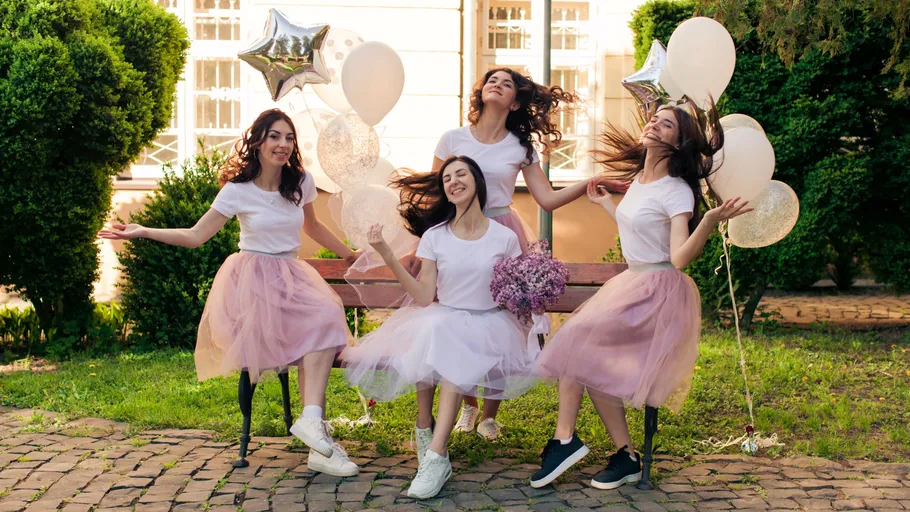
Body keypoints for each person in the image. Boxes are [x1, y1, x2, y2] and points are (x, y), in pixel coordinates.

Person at [99, 109, 361, 477]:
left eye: (289, 138)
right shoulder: (237, 191)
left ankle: (312, 424)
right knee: (321, 325)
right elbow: (195, 235)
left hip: (292, 275)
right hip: (255, 283)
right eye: (274, 136)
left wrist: (350, 254)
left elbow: (314, 227)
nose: (283, 145)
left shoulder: (300, 181)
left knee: (327, 319)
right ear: (257, 141)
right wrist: (143, 231)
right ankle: (316, 434)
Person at [529, 99, 752, 490]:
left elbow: (679, 257)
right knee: (588, 362)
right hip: (634, 282)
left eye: (665, 125)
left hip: (657, 292)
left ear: (678, 142)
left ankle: (564, 440)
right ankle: (626, 456)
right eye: (654, 120)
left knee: (576, 342)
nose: (653, 126)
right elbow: (640, 233)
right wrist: (607, 206)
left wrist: (710, 221)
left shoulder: (677, 191)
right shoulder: (640, 183)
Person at [342, 156, 538, 499]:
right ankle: (427, 433)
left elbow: (512, 292)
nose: (453, 181)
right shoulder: (435, 236)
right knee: (436, 330)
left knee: (447, 340)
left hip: (488, 324)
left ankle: (434, 453)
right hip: (444, 317)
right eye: (447, 178)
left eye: (461, 174)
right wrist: (387, 254)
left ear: (477, 181)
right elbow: (422, 295)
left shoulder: (504, 238)